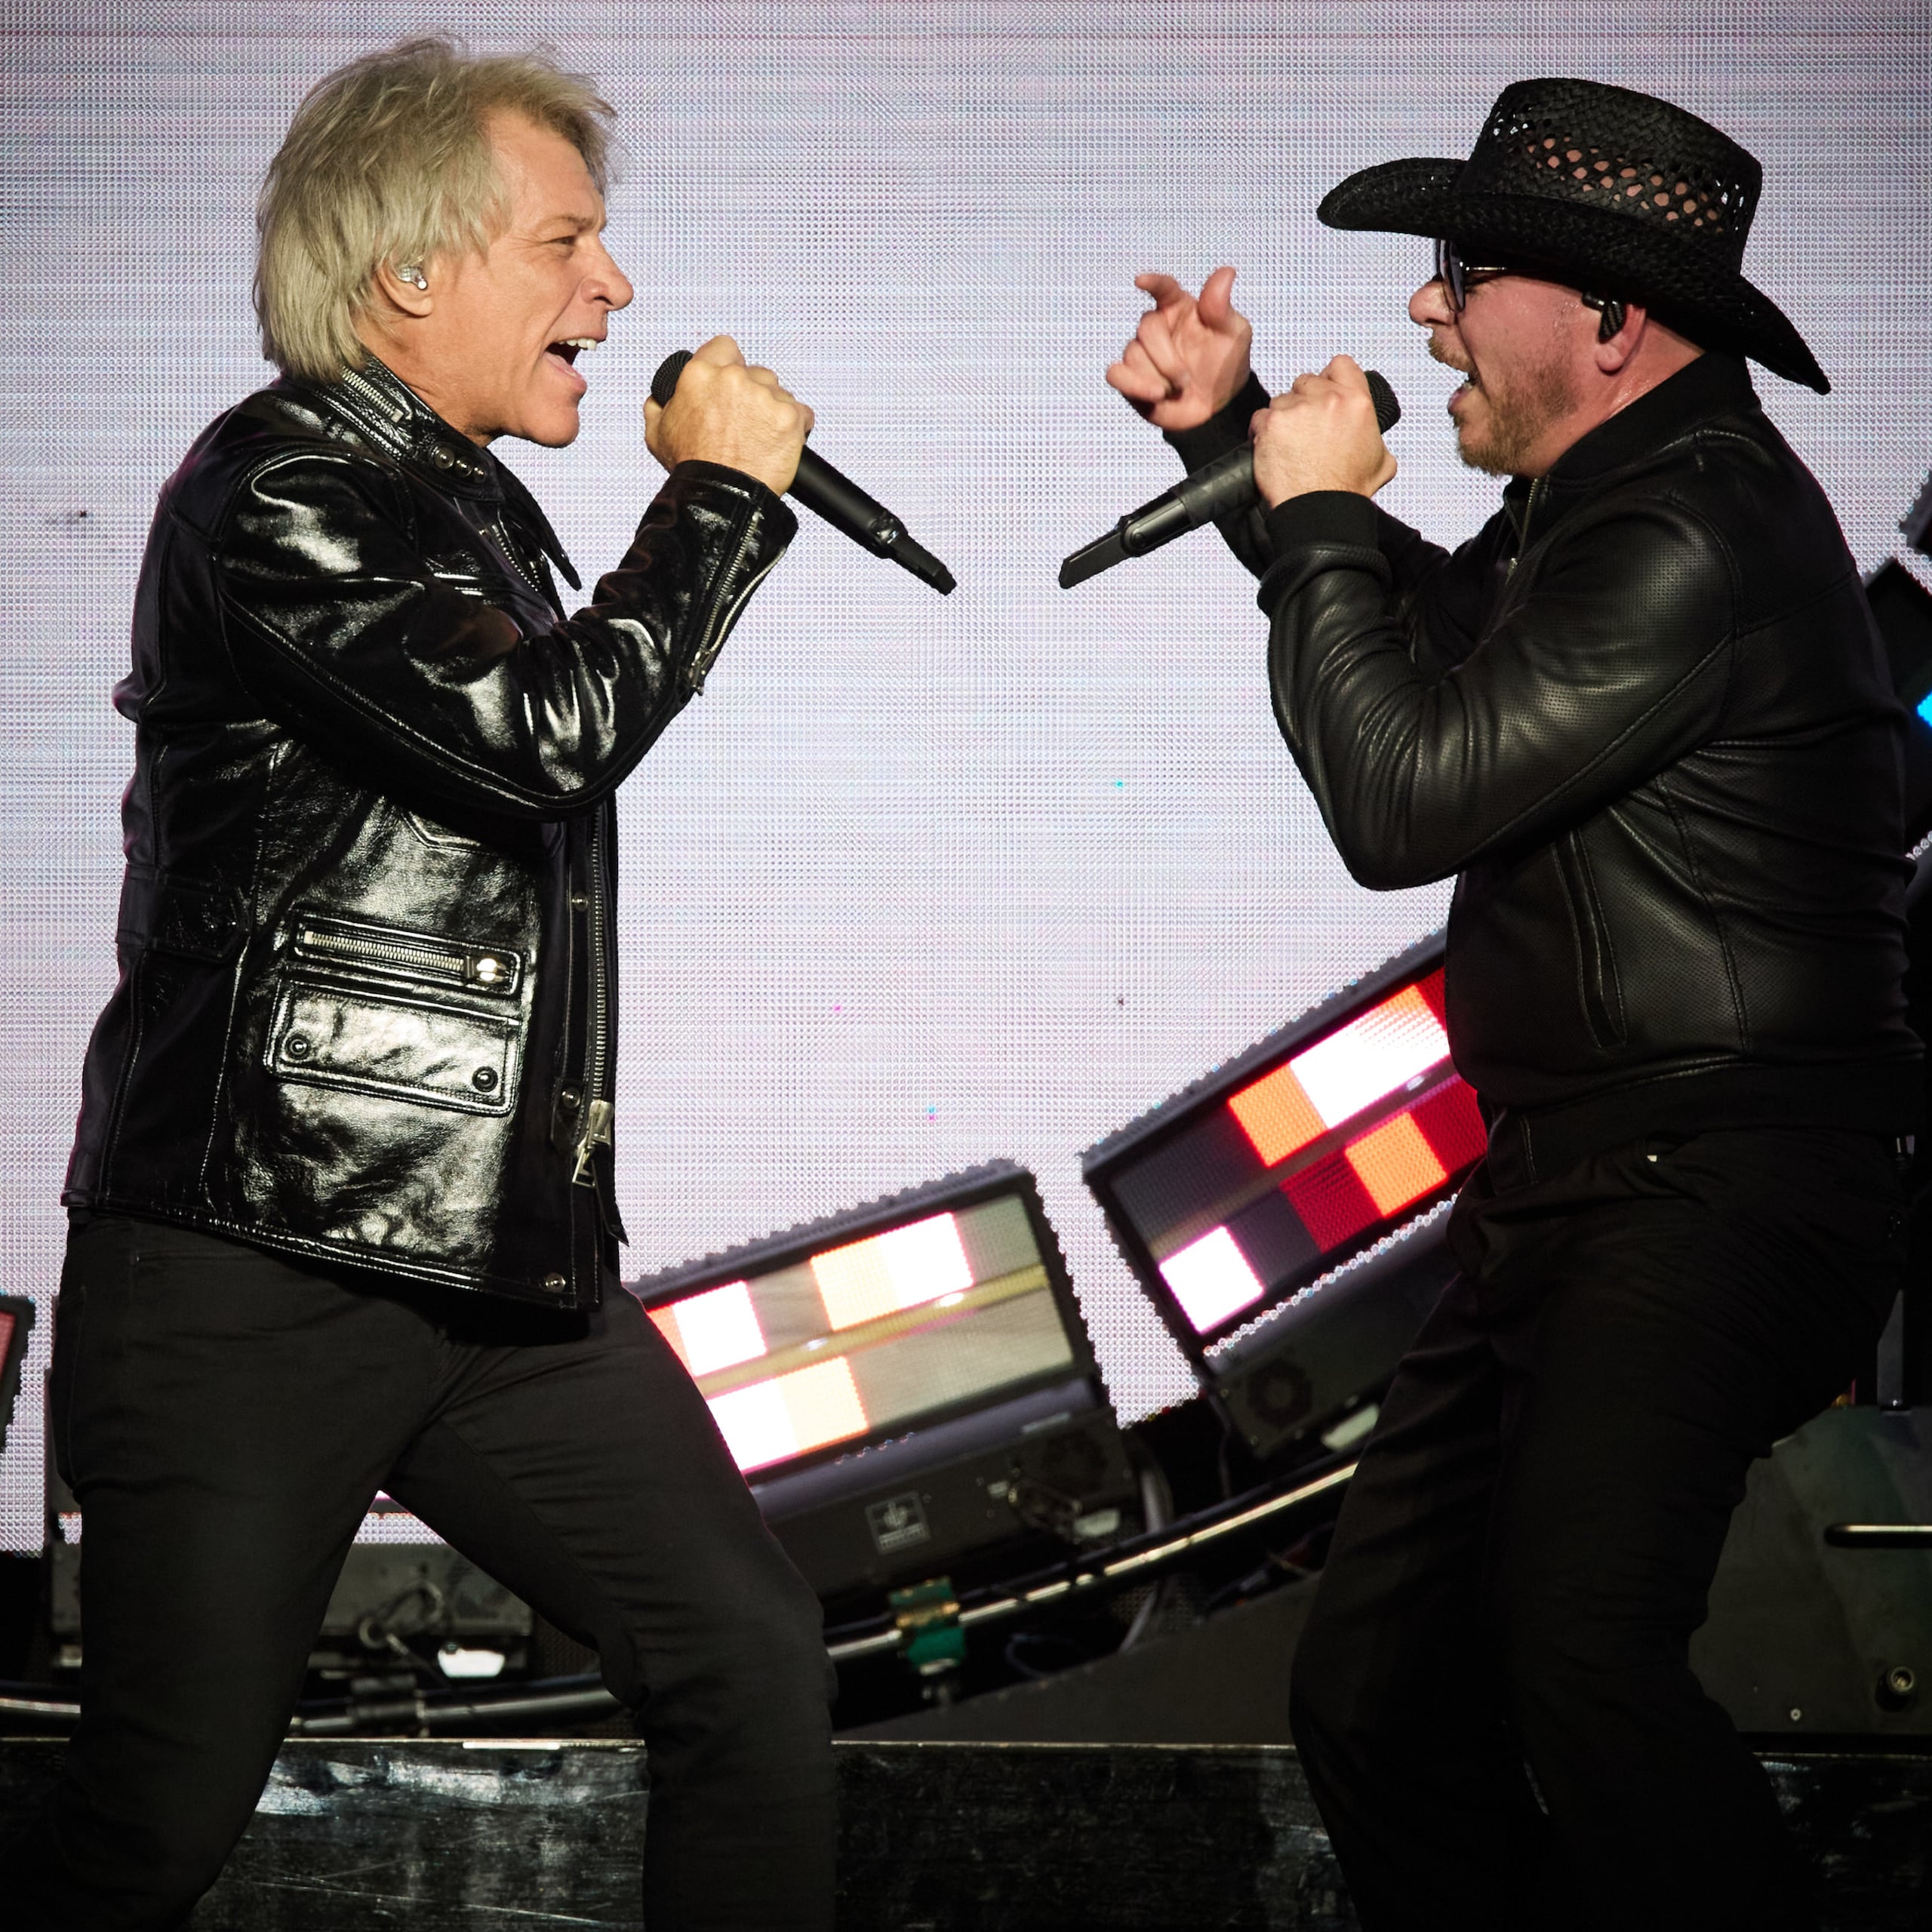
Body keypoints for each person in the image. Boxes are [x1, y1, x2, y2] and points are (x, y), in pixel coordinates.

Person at [17, 38, 835, 1931]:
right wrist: (718, 502)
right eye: (564, 243)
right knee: (152, 1812)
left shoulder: (455, 499)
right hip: (260, 1259)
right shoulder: (275, 487)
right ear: (406, 272)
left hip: (490, 1264)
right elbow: (536, 734)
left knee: (743, 1656)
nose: (612, 288)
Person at [1107, 77, 1918, 1930]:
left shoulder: (1690, 530)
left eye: (1461, 274)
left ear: (1609, 319)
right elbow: (1442, 655)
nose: (1424, 310)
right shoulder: (1606, 502)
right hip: (1578, 1185)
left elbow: (1402, 795)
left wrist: (1318, 507)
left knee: (1580, 1648)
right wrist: (1236, 438)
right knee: (1378, 1697)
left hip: (1719, 1185)